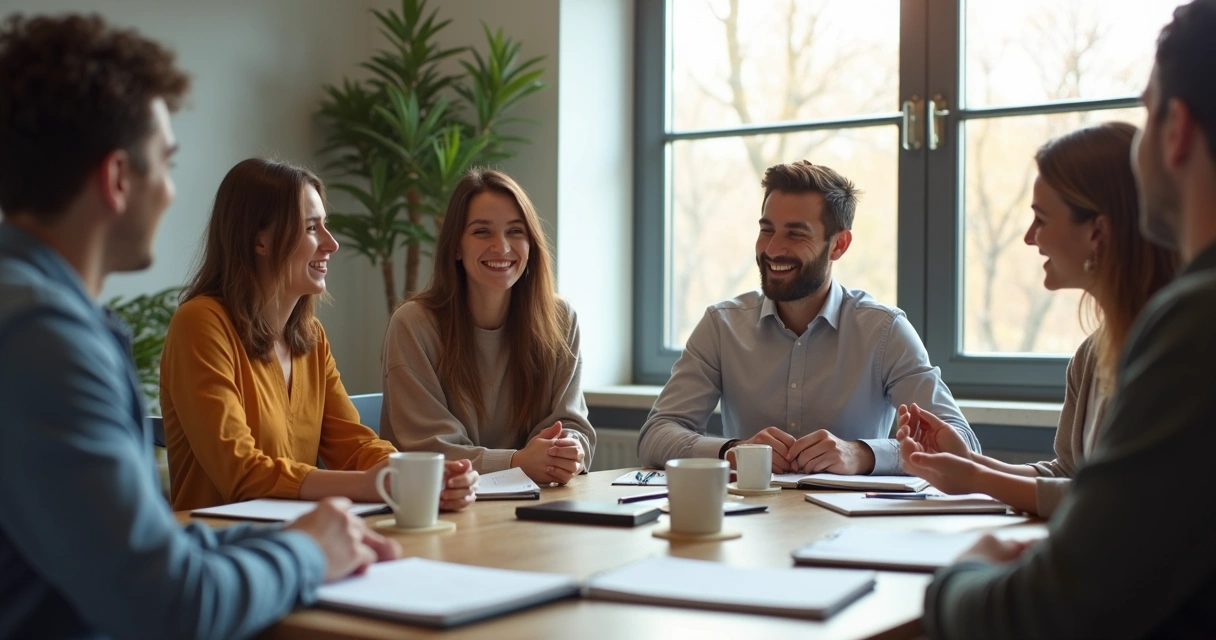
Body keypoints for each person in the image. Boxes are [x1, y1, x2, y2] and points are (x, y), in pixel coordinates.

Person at [0, 14, 398, 639]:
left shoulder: (37, 316)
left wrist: (304, 533)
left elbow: (147, 547)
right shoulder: (42, 341)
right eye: (167, 162)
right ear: (117, 179)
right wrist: (308, 553)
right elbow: (167, 602)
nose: (172, 191)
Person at [923, 2, 1216, 637]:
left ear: (1179, 132)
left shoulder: (1195, 325)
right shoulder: (1140, 337)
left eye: (1146, 115)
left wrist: (954, 578)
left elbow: (1042, 614)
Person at [160, 158, 479, 511]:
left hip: (300, 540)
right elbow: (241, 474)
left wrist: (425, 476)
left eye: (325, 226)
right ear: (259, 240)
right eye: (312, 228)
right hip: (219, 548)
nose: (332, 244)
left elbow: (355, 447)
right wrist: (373, 485)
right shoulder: (200, 324)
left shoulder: (310, 337)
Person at [896, 122, 1178, 517]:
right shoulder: (1091, 356)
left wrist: (978, 481)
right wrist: (968, 462)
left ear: (1097, 232)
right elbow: (1069, 476)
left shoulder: (1170, 348)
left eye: (1041, 219)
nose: (1030, 237)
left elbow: (1121, 502)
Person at [637, 161, 979, 475]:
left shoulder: (884, 331)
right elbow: (655, 435)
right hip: (749, 526)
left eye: (796, 234)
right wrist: (731, 450)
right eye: (767, 230)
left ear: (839, 245)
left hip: (852, 530)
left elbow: (961, 445)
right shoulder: (721, 325)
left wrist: (862, 454)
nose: (772, 250)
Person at [381, 168, 596, 484]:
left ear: (531, 244)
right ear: (455, 246)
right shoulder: (413, 325)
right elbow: (429, 449)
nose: (502, 247)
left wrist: (565, 452)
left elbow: (573, 425)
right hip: (443, 505)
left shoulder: (561, 320)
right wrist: (518, 462)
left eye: (515, 231)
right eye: (482, 232)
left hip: (539, 504)